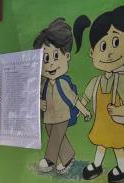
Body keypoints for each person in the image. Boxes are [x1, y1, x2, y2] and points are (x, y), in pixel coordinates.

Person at [33, 18, 91, 174]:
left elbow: (74, 99)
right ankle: (68, 156)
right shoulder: (44, 84)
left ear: (67, 57)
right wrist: (39, 104)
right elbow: (33, 96)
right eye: (46, 58)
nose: (50, 64)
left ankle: (51, 159)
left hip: (62, 114)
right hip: (49, 116)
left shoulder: (63, 83)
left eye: (56, 56)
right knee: (55, 135)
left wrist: (85, 111)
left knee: (57, 136)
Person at [74, 6, 124, 183]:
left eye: (116, 42)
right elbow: (85, 99)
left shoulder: (122, 81)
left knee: (118, 147)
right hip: (102, 124)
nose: (109, 52)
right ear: (92, 53)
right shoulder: (96, 82)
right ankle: (97, 165)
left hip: (117, 124)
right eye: (103, 46)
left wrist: (119, 110)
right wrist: (80, 110)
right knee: (100, 145)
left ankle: (122, 169)